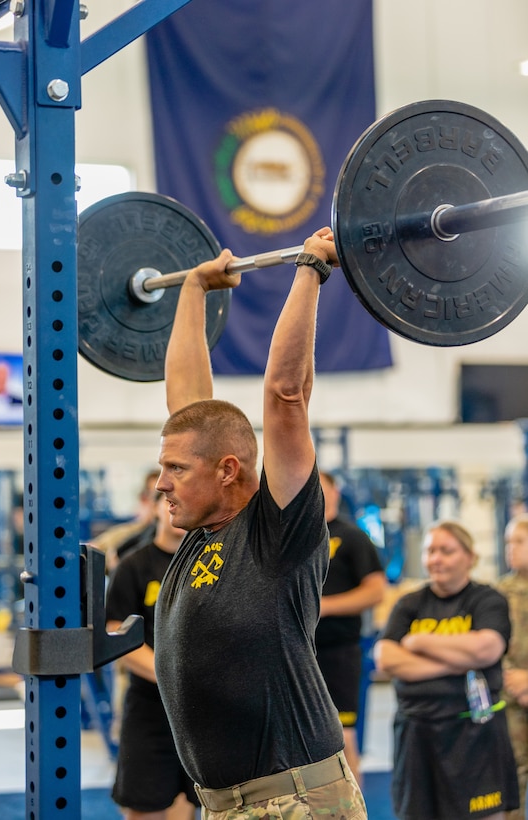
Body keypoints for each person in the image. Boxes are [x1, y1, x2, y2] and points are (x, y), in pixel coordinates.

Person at [153, 231, 367, 819]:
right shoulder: (203, 532)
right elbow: (189, 409)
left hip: (294, 802)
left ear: (228, 471)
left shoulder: (277, 536)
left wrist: (309, 269)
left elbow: (286, 394)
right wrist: (194, 289)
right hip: (228, 806)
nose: (161, 483)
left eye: (174, 469)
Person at [375, 519, 519, 820]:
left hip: (475, 735)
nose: (436, 558)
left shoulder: (487, 599)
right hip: (418, 735)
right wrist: (458, 660)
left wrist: (419, 641)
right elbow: (387, 658)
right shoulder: (409, 603)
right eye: (430, 551)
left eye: (446, 551)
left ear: (469, 557)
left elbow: (488, 649)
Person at [105, 488, 199, 820]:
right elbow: (115, 628)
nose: (176, 509)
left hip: (202, 713)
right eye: (169, 502)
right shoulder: (134, 566)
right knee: (144, 805)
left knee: (192, 804)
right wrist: (168, 675)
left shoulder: (208, 564)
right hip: (149, 708)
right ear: (155, 508)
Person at [317, 470, 386, 785]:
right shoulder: (291, 537)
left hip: (338, 653)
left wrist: (324, 607)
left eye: (319, 487)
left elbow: (376, 591)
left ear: (335, 493)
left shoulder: (352, 537)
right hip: (294, 654)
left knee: (343, 738)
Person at [496, 514, 528, 820]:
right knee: (512, 772)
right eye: (508, 542)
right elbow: (490, 646)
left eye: (519, 541)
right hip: (512, 695)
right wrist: (515, 682)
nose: (511, 549)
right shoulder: (498, 593)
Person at [92, 469, 161, 571]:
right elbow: (94, 549)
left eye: (159, 496)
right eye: (151, 495)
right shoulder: (128, 533)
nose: (153, 503)